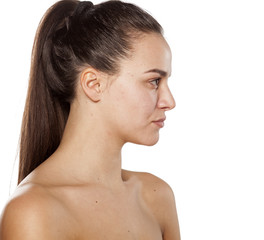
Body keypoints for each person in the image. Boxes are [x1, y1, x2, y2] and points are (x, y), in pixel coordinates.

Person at [0, 0, 180, 239]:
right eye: (154, 81)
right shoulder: (34, 212)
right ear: (93, 85)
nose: (169, 101)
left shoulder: (156, 197)